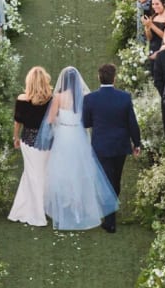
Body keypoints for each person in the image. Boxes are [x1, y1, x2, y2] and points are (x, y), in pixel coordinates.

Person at [40, 66, 119, 230]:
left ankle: (65, 209)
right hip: (78, 135)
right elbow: (88, 118)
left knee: (62, 172)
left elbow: (49, 120)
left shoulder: (58, 98)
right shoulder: (86, 96)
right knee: (79, 171)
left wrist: (57, 125)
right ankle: (79, 209)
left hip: (63, 135)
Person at [82, 63, 141, 233]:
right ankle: (110, 215)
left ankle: (110, 219)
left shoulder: (90, 99)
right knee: (115, 178)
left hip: (101, 145)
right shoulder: (124, 97)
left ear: (99, 77)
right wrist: (136, 143)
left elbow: (86, 122)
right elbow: (132, 123)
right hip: (120, 144)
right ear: (114, 78)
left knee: (106, 180)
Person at [8, 67, 54, 226]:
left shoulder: (22, 99)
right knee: (41, 173)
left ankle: (36, 212)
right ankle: (33, 206)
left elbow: (18, 122)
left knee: (32, 174)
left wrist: (15, 137)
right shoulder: (52, 99)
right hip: (48, 142)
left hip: (28, 140)